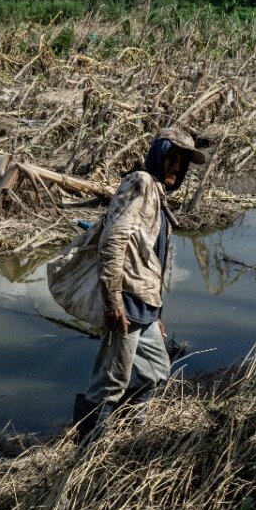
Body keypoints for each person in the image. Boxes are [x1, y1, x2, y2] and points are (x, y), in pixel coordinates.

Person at [72, 128, 206, 438]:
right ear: (157, 155)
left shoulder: (157, 194)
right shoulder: (141, 183)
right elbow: (114, 240)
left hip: (146, 305)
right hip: (127, 301)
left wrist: (158, 313)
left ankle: (129, 429)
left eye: (182, 162)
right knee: (110, 381)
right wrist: (112, 300)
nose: (176, 166)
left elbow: (152, 261)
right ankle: (88, 448)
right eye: (171, 158)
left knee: (158, 371)